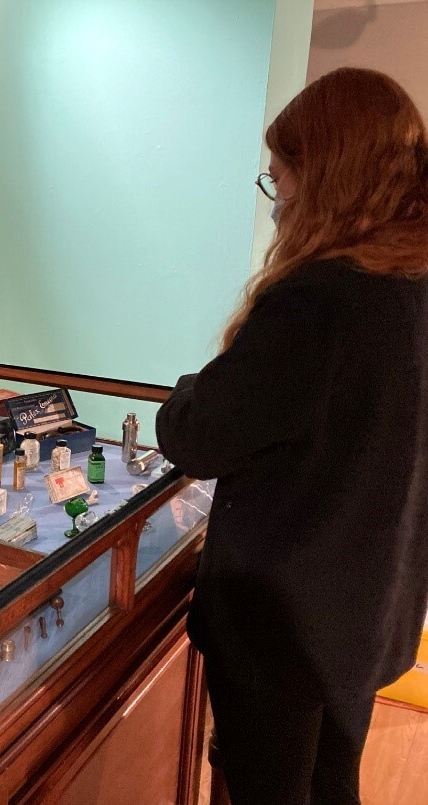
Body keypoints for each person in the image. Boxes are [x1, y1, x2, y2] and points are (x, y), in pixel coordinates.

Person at [156, 67, 428, 805]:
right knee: (330, 782)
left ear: (325, 179)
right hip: (362, 612)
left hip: (286, 629)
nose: (276, 201)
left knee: (264, 788)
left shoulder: (319, 301)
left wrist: (187, 385)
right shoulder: (410, 284)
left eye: (279, 177)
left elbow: (196, 433)